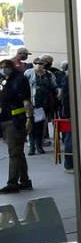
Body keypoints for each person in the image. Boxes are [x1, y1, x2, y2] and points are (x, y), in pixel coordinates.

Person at [0, 57, 32, 193]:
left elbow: (26, 101)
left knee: (14, 153)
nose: (3, 69)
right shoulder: (4, 81)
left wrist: (29, 118)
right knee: (17, 152)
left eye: (5, 67)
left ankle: (12, 183)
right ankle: (25, 180)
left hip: (16, 121)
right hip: (6, 120)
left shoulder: (19, 80)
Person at [27, 59, 55, 156]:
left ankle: (39, 145)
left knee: (40, 126)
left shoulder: (49, 74)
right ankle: (32, 147)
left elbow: (53, 86)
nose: (38, 65)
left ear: (44, 65)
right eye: (36, 63)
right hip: (31, 103)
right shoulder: (28, 73)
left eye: (41, 64)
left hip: (43, 104)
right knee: (31, 126)